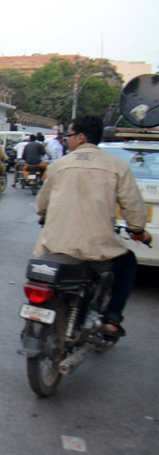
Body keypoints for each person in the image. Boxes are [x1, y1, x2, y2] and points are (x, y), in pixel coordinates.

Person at [34, 116, 150, 339]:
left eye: (69, 136)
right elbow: (133, 208)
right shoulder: (116, 165)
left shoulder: (59, 165)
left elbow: (41, 205)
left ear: (80, 137)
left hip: (54, 246)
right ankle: (112, 319)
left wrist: (44, 216)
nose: (67, 141)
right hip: (96, 249)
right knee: (128, 264)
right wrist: (138, 231)